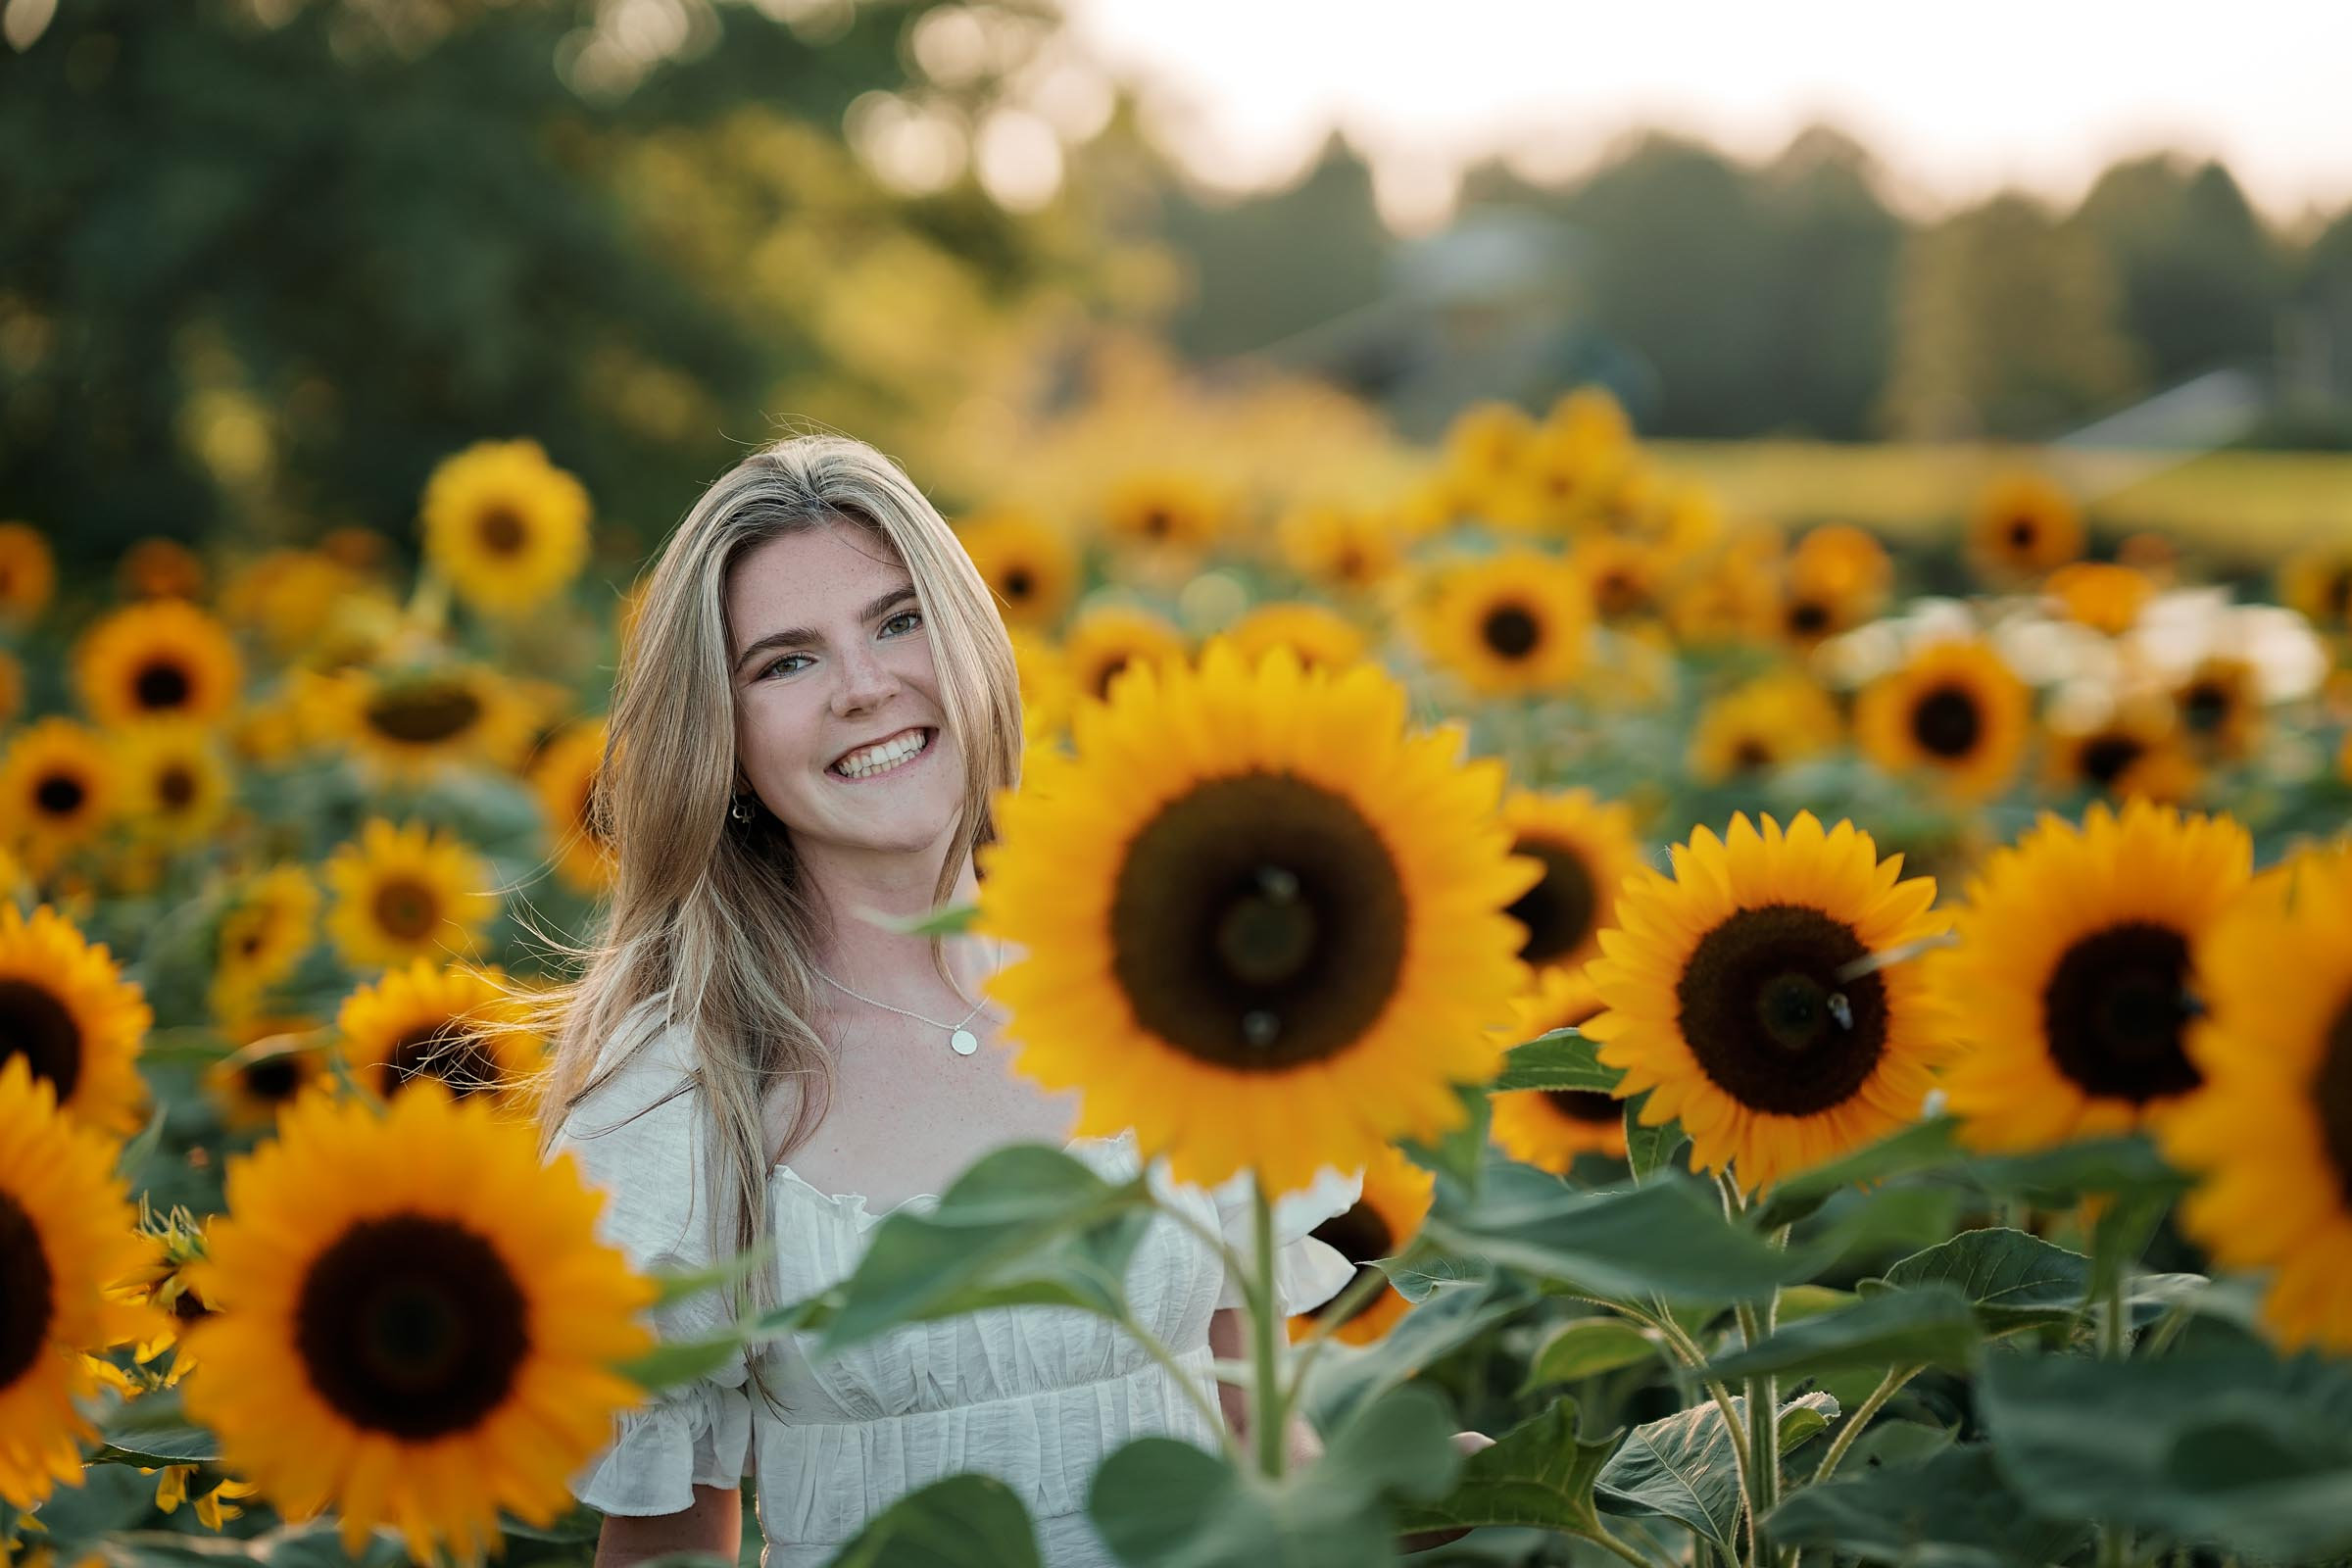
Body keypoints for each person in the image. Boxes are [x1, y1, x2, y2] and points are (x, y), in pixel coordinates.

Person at [529, 433, 1383, 1568]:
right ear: (723, 741)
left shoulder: (1161, 984)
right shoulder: (683, 1090)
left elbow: (1255, 1435)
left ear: (971, 643)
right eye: (786, 662)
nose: (865, 687)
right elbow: (669, 1547)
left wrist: (1410, 1518)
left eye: (897, 620)